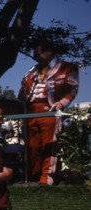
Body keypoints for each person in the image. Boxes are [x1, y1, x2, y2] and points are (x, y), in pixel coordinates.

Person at [18, 39, 79, 185]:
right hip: (31, 112)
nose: (36, 58)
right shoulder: (33, 70)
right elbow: (23, 92)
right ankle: (34, 175)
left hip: (50, 110)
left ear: (49, 52)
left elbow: (73, 89)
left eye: (38, 54)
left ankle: (47, 177)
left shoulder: (67, 67)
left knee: (49, 144)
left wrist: (61, 104)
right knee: (32, 145)